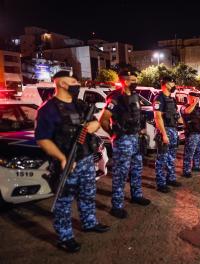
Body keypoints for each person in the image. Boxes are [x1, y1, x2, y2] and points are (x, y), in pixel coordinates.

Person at [35, 70, 109, 253]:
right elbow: (42, 139)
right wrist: (62, 158)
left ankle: (89, 222)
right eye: (73, 80)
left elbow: (95, 124)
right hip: (65, 163)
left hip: (85, 159)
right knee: (64, 201)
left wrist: (91, 126)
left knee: (88, 194)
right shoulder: (47, 109)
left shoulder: (80, 105)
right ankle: (65, 237)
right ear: (61, 83)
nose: (77, 83)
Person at [99, 70, 151, 220]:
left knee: (137, 168)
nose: (136, 82)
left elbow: (138, 116)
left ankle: (136, 195)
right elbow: (103, 120)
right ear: (125, 81)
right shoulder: (115, 98)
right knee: (120, 173)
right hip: (123, 139)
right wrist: (113, 135)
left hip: (135, 138)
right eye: (133, 80)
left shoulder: (135, 96)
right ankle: (117, 205)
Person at [153, 76, 182, 193]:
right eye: (172, 82)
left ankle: (171, 178)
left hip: (173, 130)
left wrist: (185, 124)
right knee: (162, 158)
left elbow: (176, 115)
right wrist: (164, 134)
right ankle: (161, 183)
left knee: (171, 157)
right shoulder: (159, 98)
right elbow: (158, 117)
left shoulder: (171, 99)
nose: (174, 85)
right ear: (165, 84)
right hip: (164, 130)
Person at [180, 92, 200, 178]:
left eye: (196, 97)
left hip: (199, 132)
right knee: (189, 152)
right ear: (189, 97)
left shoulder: (198, 108)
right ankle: (186, 170)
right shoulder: (185, 106)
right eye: (194, 97)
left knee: (199, 151)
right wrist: (194, 102)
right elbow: (187, 111)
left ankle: (196, 166)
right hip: (191, 133)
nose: (196, 99)